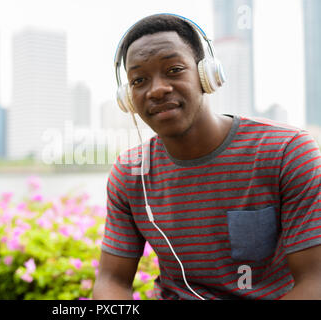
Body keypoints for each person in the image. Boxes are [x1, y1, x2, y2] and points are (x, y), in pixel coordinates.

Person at [92, 13, 321, 300]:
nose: (158, 89)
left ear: (207, 76)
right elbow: (112, 280)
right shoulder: (130, 172)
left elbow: (315, 282)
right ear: (128, 98)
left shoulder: (287, 151)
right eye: (139, 80)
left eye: (174, 69)